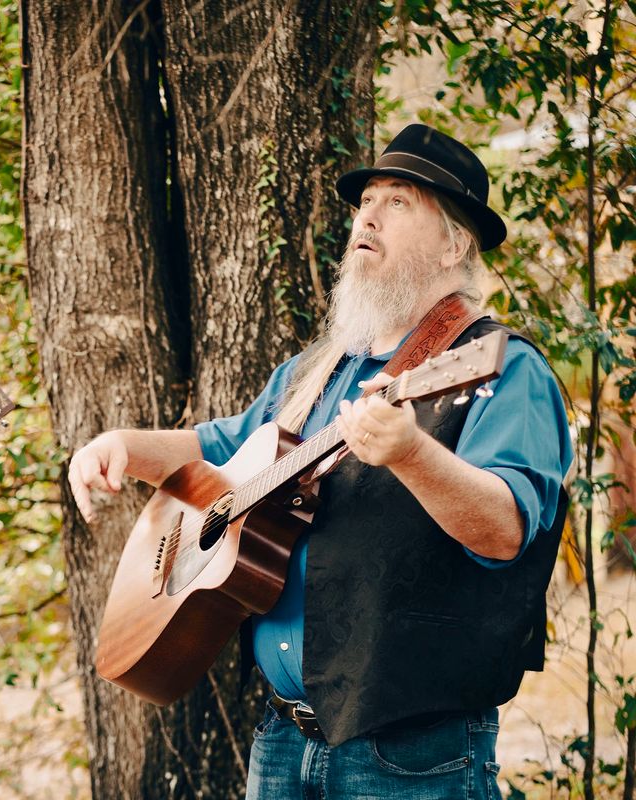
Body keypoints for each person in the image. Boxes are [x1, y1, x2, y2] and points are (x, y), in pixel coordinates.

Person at [68, 124, 573, 799]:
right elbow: (218, 452)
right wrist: (123, 447)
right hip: (281, 741)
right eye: (366, 201)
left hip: (411, 757)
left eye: (398, 202)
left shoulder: (501, 368)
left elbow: (507, 529)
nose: (366, 215)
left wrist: (412, 454)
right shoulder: (318, 370)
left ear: (455, 243)